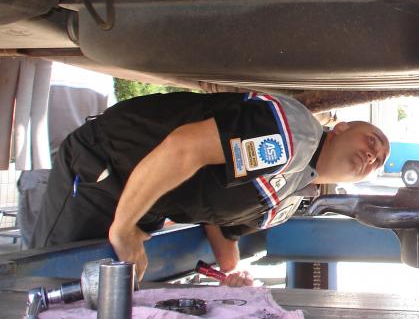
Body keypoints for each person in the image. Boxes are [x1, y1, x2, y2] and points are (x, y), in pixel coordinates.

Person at [31, 91, 390, 281]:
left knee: (81, 302)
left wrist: (232, 273)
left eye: (379, 162)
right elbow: (184, 148)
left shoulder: (291, 197)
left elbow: (223, 227)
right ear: (341, 127)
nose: (372, 156)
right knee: (40, 288)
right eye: (372, 141)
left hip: (141, 208)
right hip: (104, 168)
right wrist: (124, 229)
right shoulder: (291, 137)